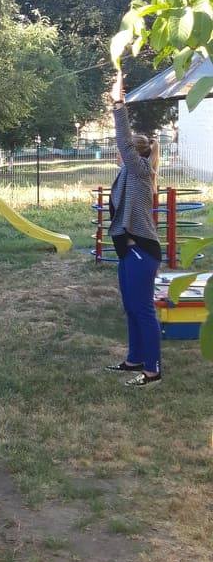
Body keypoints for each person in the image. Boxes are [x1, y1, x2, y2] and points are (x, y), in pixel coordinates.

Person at [106, 72, 162, 386]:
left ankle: (152, 369)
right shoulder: (127, 174)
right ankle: (134, 359)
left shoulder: (139, 170)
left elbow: (124, 141)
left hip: (142, 250)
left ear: (134, 154)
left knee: (143, 308)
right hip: (129, 250)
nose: (119, 152)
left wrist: (118, 104)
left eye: (124, 150)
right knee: (131, 306)